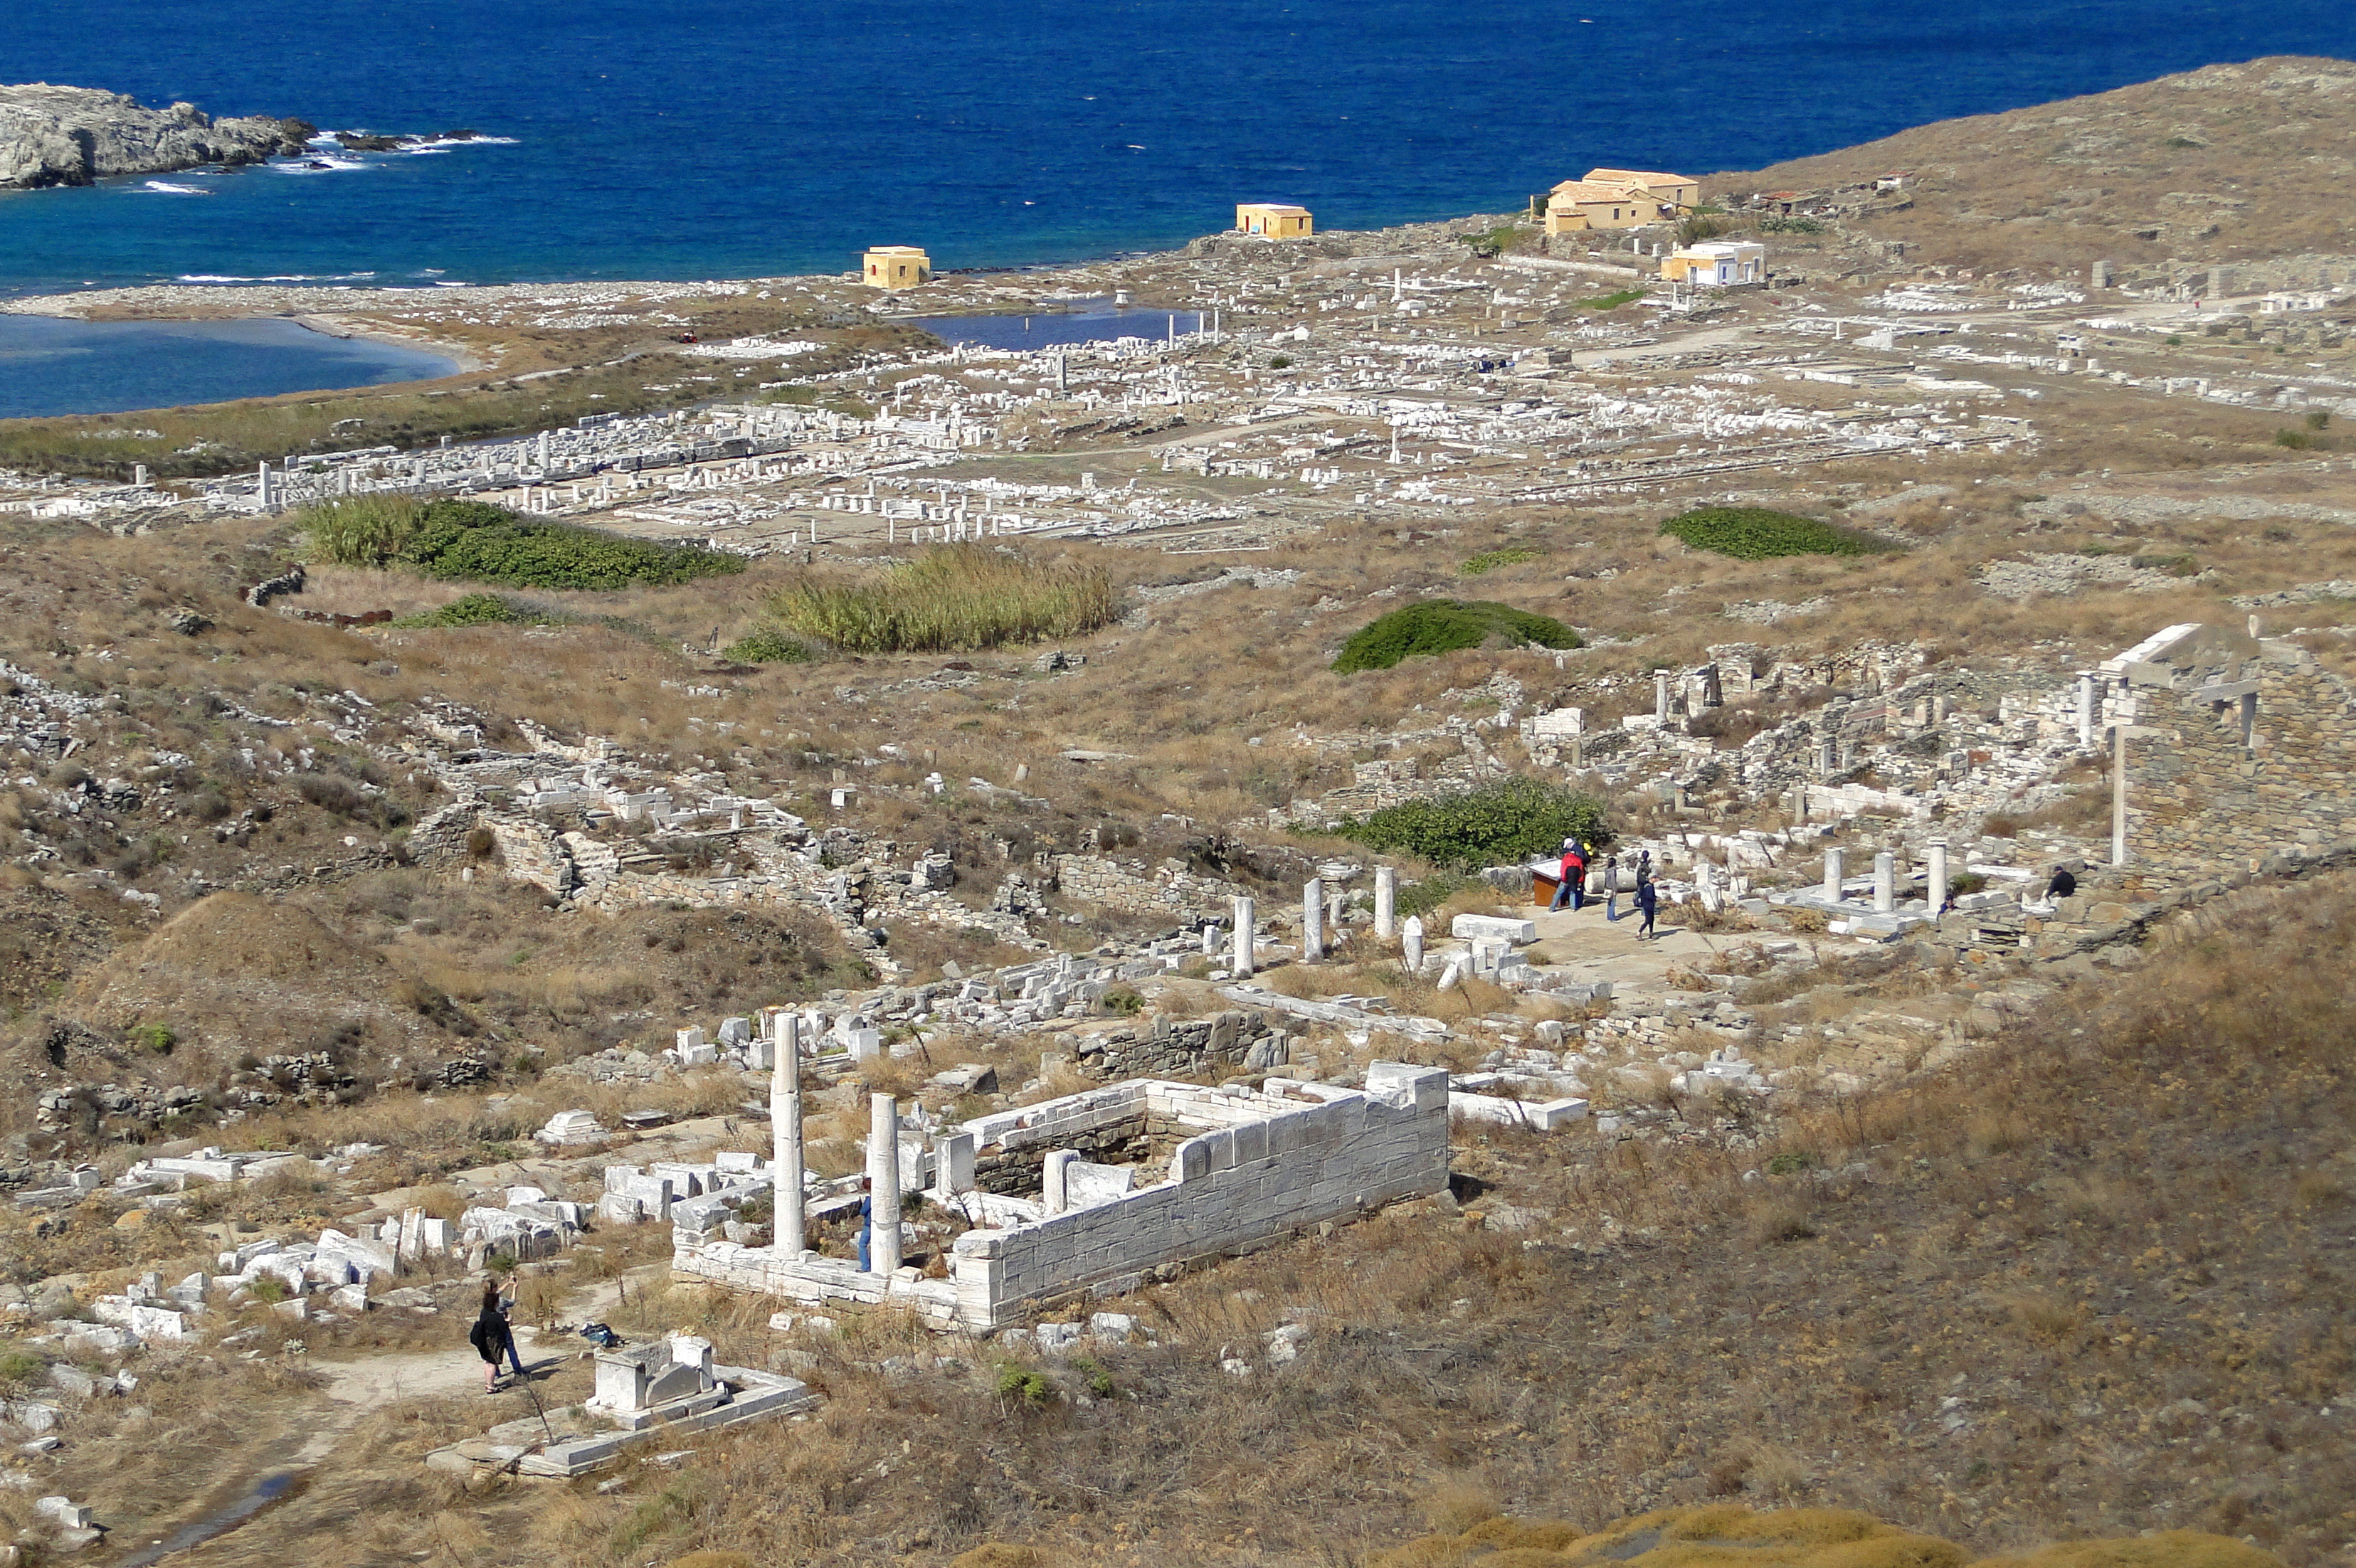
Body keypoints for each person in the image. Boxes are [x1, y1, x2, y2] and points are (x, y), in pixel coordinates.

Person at [468, 1283, 523, 1392]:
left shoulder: (484, 1312)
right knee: (493, 1363)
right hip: (494, 1341)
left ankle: (489, 1383)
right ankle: (491, 1386)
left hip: (484, 1341)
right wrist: (508, 1321)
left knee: (487, 1363)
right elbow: (503, 1327)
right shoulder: (496, 1316)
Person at [1546, 838, 1587, 911]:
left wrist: (1563, 878)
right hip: (1574, 879)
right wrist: (1580, 880)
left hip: (1566, 880)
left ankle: (1552, 907)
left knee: (1558, 893)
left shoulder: (1565, 860)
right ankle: (1573, 907)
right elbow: (1581, 871)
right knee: (1572, 892)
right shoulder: (1578, 860)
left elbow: (1563, 870)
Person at [855, 1175, 875, 1273]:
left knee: (862, 1245)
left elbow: (863, 1212)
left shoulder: (870, 1199)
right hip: (876, 1225)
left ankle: (865, 1266)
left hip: (869, 1225)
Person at [1634, 870, 1659, 941]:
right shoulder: (1648, 886)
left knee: (1652, 920)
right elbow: (1649, 896)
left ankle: (1651, 933)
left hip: (1650, 905)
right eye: (1655, 878)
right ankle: (1639, 932)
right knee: (1648, 920)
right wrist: (1655, 899)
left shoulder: (1650, 885)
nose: (1656, 879)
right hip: (1647, 905)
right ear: (1652, 878)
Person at [1603, 855, 1622, 921]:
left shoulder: (1607, 870)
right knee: (1612, 903)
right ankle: (1612, 917)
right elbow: (1613, 881)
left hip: (1607, 887)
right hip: (1611, 888)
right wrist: (1615, 890)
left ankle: (1609, 916)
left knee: (1609, 903)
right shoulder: (1613, 871)